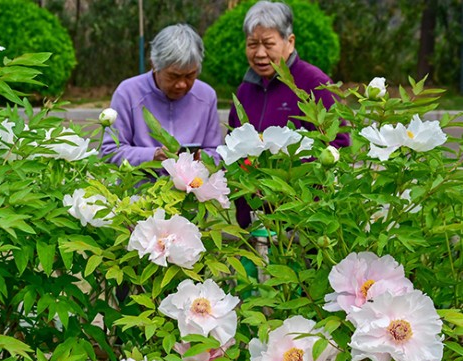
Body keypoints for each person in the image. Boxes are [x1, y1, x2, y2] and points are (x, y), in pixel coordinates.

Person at [229, 1, 349, 226]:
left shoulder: (313, 83)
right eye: (252, 44)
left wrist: (295, 173)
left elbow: (339, 143)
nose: (260, 53)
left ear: (289, 42)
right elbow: (234, 145)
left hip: (302, 219)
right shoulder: (245, 90)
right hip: (256, 220)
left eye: (268, 43)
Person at [101, 24, 223, 166]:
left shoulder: (206, 96)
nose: (181, 84)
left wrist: (203, 158)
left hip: (193, 186)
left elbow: (216, 152)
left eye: (190, 75)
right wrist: (151, 156)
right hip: (140, 186)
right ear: (154, 65)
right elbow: (109, 151)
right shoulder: (127, 93)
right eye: (173, 76)